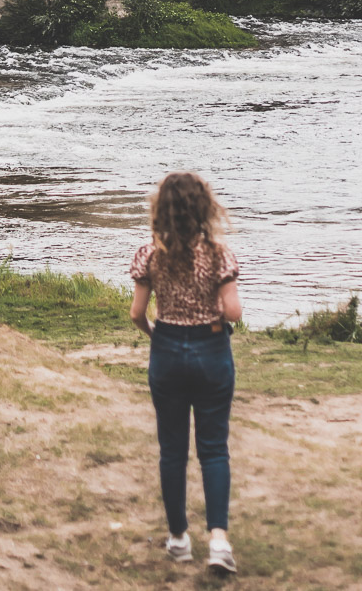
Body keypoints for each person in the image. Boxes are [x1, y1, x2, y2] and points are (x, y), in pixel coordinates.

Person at [130, 172, 242, 575]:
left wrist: (156, 336)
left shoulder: (149, 254)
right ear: (203, 209)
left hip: (168, 348)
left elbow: (137, 313)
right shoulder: (218, 255)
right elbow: (233, 312)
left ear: (163, 211)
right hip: (211, 349)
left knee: (172, 449)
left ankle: (178, 538)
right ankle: (218, 542)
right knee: (213, 448)